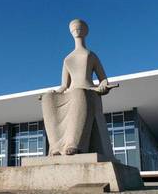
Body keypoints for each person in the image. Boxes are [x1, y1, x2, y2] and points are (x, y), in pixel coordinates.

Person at [41, 19, 116, 158]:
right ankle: (56, 147)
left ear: (86, 31)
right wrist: (54, 92)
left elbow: (103, 78)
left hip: (88, 92)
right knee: (47, 99)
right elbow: (64, 85)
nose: (76, 30)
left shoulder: (90, 55)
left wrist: (103, 85)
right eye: (74, 28)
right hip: (71, 92)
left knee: (78, 93)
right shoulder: (67, 58)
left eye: (79, 27)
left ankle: (72, 144)